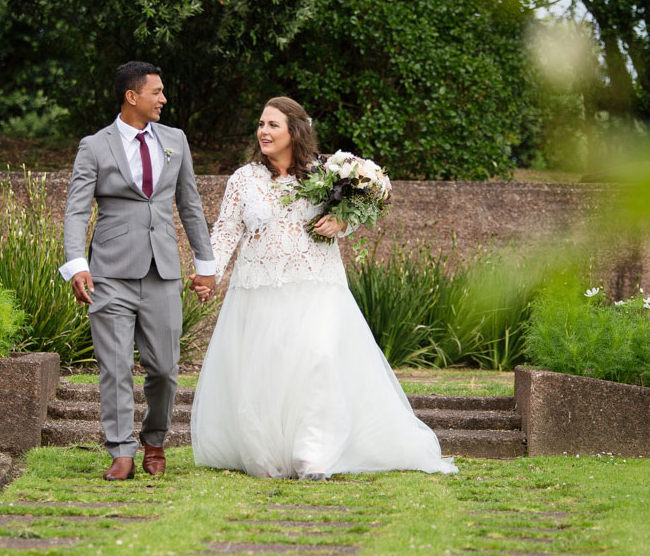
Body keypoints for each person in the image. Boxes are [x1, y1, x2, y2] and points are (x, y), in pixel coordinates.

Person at [189, 96, 456, 480]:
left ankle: (311, 453)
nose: (264, 131)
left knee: (318, 358)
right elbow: (228, 228)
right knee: (265, 370)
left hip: (318, 283)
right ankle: (265, 453)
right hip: (259, 286)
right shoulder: (243, 179)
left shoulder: (327, 173)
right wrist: (208, 272)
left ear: (294, 131)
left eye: (273, 125)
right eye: (261, 124)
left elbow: (367, 204)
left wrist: (341, 223)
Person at [60, 62, 217, 481]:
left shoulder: (175, 141)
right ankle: (121, 451)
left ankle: (155, 439)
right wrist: (76, 264)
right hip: (109, 273)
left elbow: (190, 205)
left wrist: (206, 265)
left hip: (162, 271)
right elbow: (76, 211)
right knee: (114, 367)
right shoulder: (94, 146)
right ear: (133, 97)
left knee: (165, 368)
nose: (163, 99)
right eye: (157, 92)